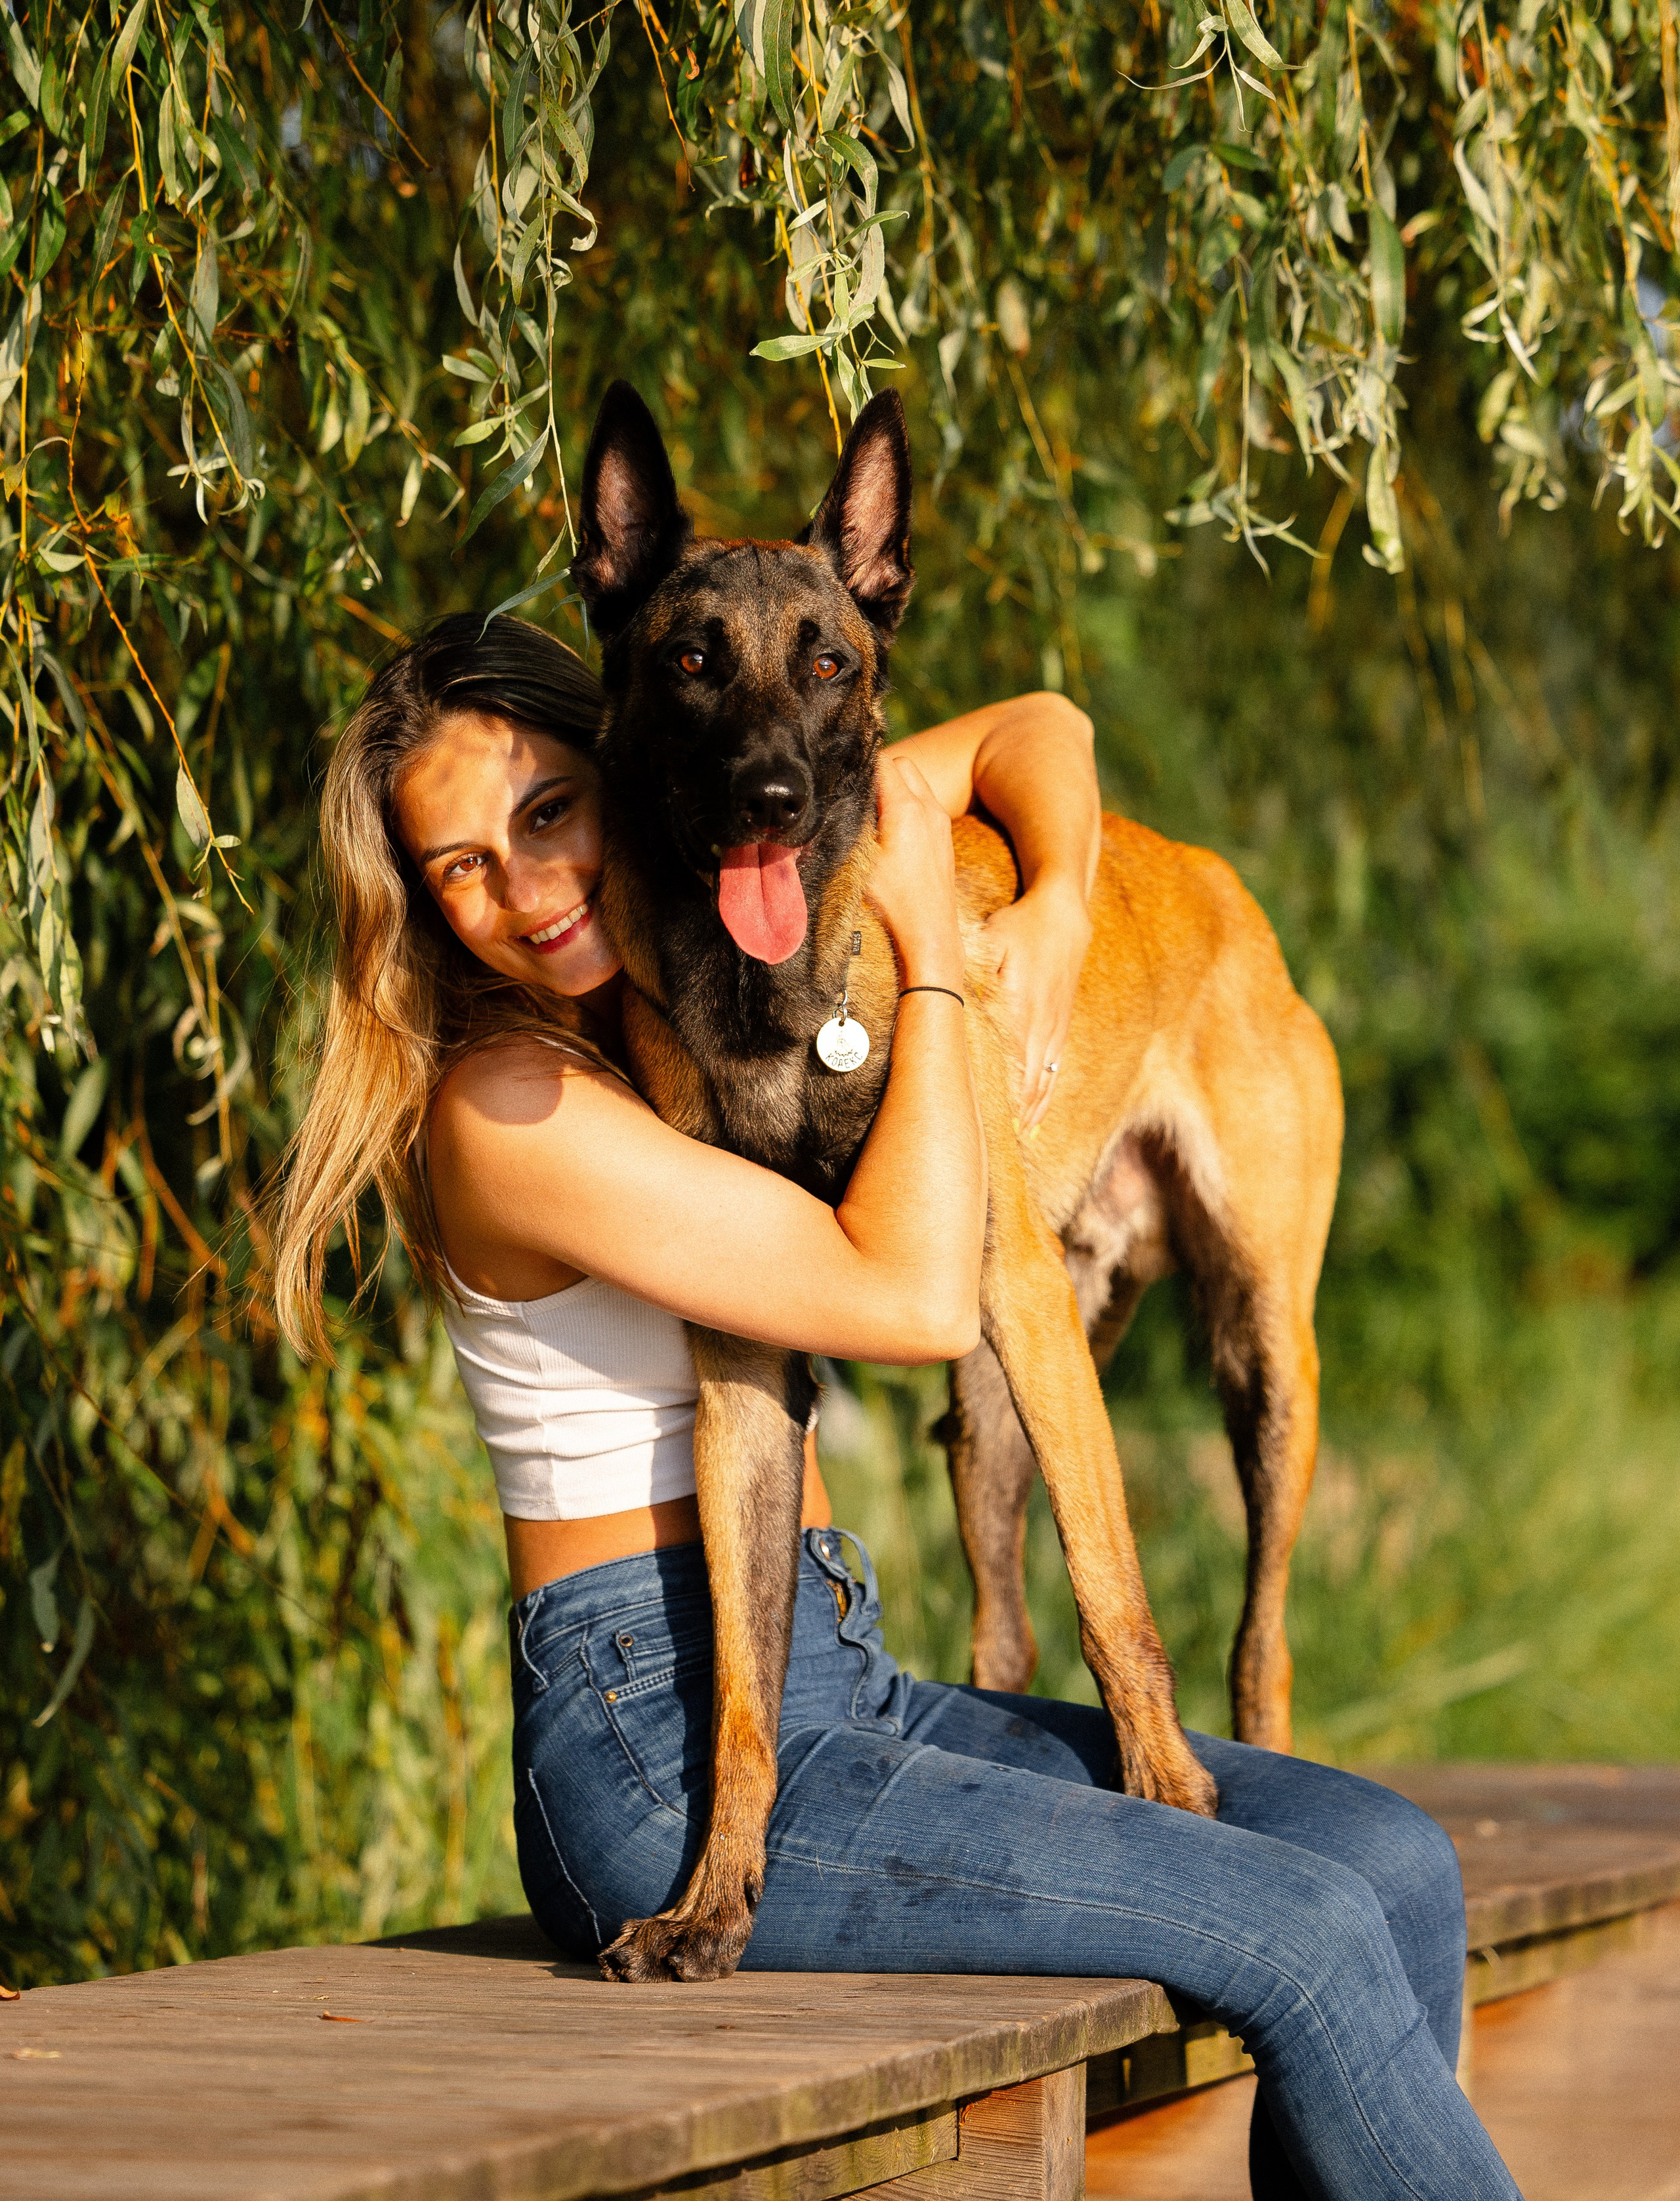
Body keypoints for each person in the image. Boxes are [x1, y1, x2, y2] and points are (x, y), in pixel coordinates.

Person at [274, 611, 1521, 2201]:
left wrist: (1053, 902)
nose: (527, 887)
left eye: (546, 814)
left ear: (640, 778)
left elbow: (1032, 729)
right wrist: (933, 953)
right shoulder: (515, 1107)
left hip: (833, 1674)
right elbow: (922, 1305)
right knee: (1306, 1929)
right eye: (460, 865)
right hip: (653, 1748)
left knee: (1393, 1861)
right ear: (418, 902)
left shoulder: (709, 932)